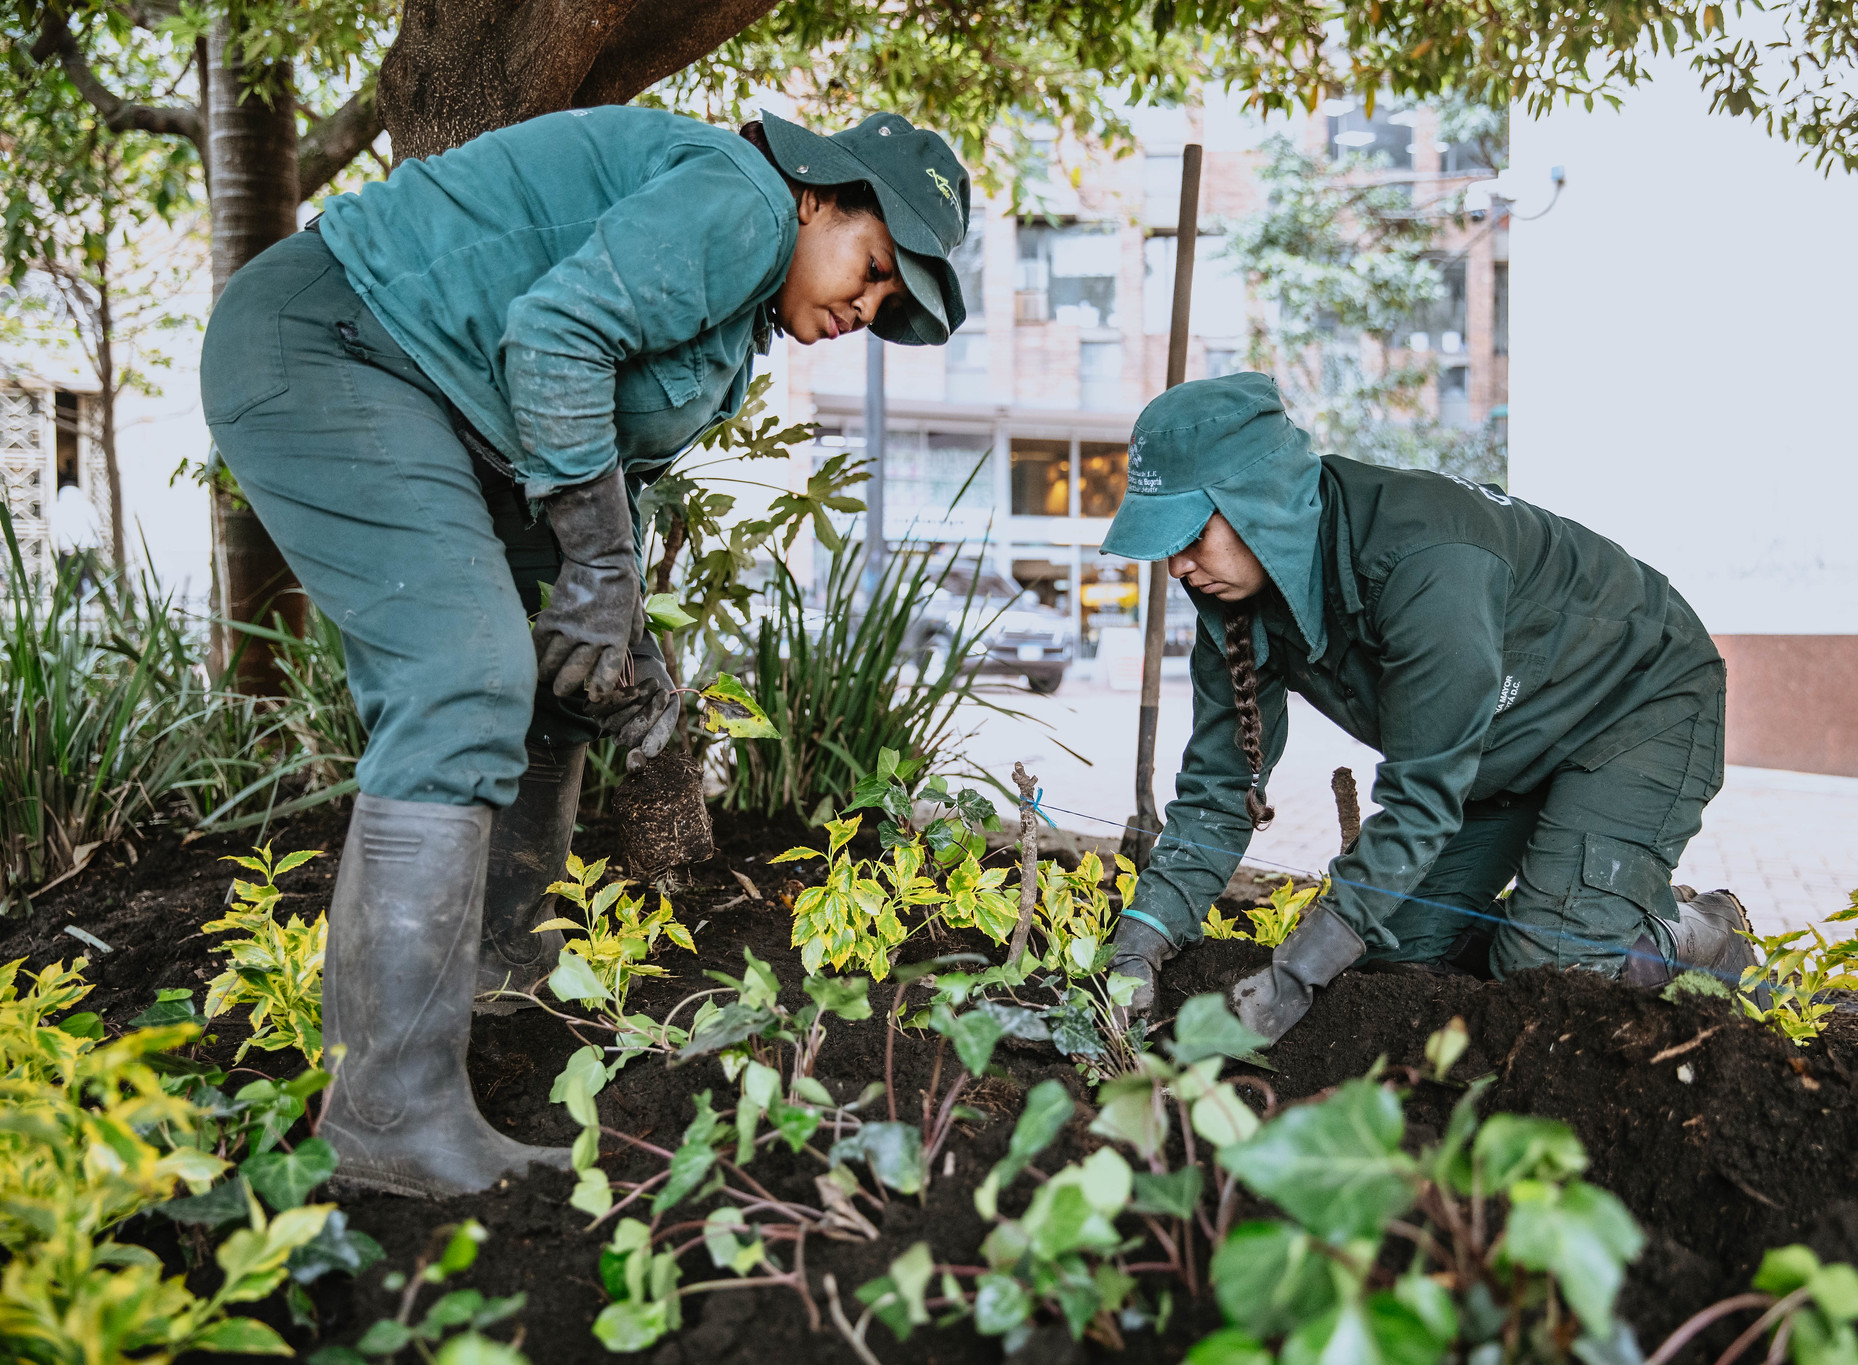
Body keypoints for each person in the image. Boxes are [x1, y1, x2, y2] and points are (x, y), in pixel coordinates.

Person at [200, 107, 971, 1196]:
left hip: (448, 408)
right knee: (463, 675)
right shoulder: (742, 202)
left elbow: (609, 464)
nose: (867, 305)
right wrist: (600, 573)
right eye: (876, 265)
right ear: (819, 194)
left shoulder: (738, 320)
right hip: (338, 344)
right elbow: (556, 336)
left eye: (889, 302)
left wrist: (618, 615)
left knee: (568, 674)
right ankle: (384, 1109)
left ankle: (497, 971)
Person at [1101, 373, 1756, 1042]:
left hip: (1639, 701)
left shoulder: (1424, 560)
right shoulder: (1234, 602)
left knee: (1554, 969)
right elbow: (1219, 791)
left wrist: (1293, 978)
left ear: (1259, 504)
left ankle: (1708, 932)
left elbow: (1423, 797)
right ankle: (1590, 906)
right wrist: (1141, 940)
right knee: (1394, 942)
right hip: (1501, 749)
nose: (1177, 565)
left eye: (1190, 535)